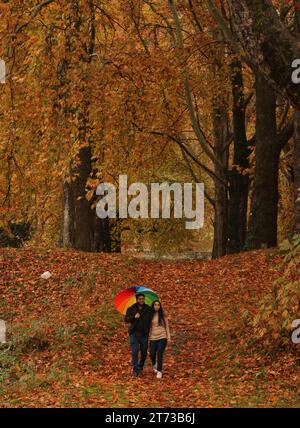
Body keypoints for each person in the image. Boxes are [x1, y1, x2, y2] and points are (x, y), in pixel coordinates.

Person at [125, 293, 152, 377]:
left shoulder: (148, 309)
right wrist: (134, 317)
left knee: (144, 352)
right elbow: (126, 319)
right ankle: (135, 369)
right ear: (137, 300)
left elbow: (153, 316)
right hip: (134, 333)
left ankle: (140, 366)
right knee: (135, 351)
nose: (141, 300)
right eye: (140, 299)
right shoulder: (131, 308)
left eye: (143, 299)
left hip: (144, 334)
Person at [149, 300, 171, 379]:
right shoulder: (150, 315)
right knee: (152, 353)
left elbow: (167, 326)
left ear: (160, 306)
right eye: (155, 305)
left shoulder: (163, 314)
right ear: (153, 306)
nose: (157, 306)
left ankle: (159, 371)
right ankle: (155, 364)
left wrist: (168, 337)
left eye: (158, 305)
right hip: (153, 337)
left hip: (162, 336)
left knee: (159, 353)